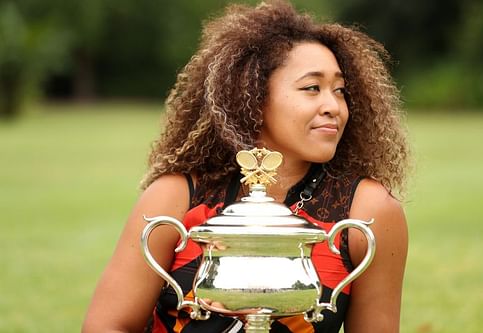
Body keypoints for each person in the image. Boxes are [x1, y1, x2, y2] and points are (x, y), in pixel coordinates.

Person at [82, 0, 411, 332]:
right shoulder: (175, 197)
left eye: (339, 91)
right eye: (312, 88)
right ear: (252, 93)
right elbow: (107, 326)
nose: (333, 106)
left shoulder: (368, 213)